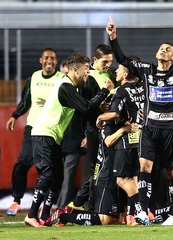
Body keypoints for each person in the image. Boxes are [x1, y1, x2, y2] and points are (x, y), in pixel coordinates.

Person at [106, 16, 173, 226]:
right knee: (144, 166)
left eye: (168, 49)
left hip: (170, 130)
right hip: (149, 128)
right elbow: (124, 60)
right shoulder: (146, 70)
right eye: (161, 48)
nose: (163, 50)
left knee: (172, 172)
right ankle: (144, 212)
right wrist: (113, 38)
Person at [24, 53, 114, 227]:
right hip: (44, 133)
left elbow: (84, 111)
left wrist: (99, 106)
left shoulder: (72, 87)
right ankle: (31, 214)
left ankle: (44, 216)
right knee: (49, 173)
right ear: (75, 69)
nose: (88, 73)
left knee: (56, 178)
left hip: (54, 136)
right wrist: (104, 92)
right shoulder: (65, 87)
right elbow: (86, 108)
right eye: (85, 69)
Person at [45, 120, 139, 227]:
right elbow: (108, 141)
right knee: (104, 220)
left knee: (115, 219)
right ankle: (63, 216)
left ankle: (70, 213)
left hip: (116, 173)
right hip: (106, 175)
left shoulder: (115, 123)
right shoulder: (108, 124)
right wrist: (123, 130)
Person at [6, 48, 64, 216]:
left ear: (56, 61)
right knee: (22, 163)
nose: (49, 61)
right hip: (33, 128)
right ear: (41, 60)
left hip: (51, 130)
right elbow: (26, 100)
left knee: (48, 170)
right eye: (46, 58)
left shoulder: (61, 79)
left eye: (53, 58)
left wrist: (49, 102)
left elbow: (65, 99)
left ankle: (46, 205)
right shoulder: (34, 78)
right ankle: (16, 200)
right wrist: (15, 116)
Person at [96, 57, 145, 225]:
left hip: (125, 142)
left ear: (125, 73)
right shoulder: (142, 88)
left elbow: (115, 113)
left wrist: (101, 116)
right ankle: (134, 216)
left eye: (119, 68)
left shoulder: (121, 91)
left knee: (121, 180)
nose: (116, 71)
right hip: (141, 140)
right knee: (133, 179)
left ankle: (140, 212)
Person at [75, 44, 115, 211]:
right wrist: (85, 134)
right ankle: (88, 205)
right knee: (95, 168)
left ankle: (84, 202)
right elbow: (86, 108)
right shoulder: (87, 77)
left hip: (110, 128)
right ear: (95, 60)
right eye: (105, 62)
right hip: (93, 129)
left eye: (110, 61)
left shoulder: (111, 74)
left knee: (106, 167)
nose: (108, 65)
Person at [56, 59, 90, 209]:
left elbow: (87, 111)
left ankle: (60, 210)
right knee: (53, 176)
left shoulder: (82, 88)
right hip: (57, 138)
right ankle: (48, 207)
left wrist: (86, 135)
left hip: (73, 139)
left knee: (68, 178)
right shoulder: (61, 87)